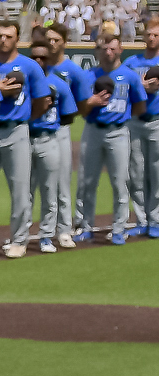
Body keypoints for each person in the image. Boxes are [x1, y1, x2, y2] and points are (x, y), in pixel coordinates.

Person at [0, 18, 53, 259]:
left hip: (17, 130)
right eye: (0, 35)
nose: (3, 40)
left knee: (20, 189)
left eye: (8, 36)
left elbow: (43, 100)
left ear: (17, 39)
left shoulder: (30, 66)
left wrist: (24, 119)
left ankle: (19, 239)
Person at [73, 26, 147, 244]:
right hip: (93, 130)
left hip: (119, 132)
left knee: (120, 181)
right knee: (87, 180)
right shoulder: (89, 76)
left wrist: (122, 117)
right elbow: (81, 109)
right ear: (99, 51)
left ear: (120, 49)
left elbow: (140, 106)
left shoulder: (130, 77)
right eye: (105, 49)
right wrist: (91, 102)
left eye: (113, 48)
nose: (108, 53)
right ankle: (85, 225)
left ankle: (118, 228)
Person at [25, 36, 77, 254]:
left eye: (42, 58)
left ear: (49, 59)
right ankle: (22, 236)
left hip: (49, 137)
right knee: (24, 192)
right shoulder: (21, 82)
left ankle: (47, 235)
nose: (38, 61)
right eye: (34, 57)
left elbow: (69, 115)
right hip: (25, 139)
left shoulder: (59, 83)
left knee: (50, 190)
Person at [39, 23, 82, 248]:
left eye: (56, 39)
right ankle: (35, 230)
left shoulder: (72, 70)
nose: (52, 43)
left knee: (62, 182)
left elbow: (79, 102)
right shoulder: (38, 66)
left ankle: (64, 229)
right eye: (49, 39)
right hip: (37, 130)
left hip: (62, 129)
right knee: (37, 184)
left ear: (64, 41)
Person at [128, 22, 159, 238]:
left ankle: (155, 220)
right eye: (148, 34)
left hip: (157, 121)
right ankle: (141, 219)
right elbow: (121, 89)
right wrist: (139, 86)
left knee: (156, 173)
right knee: (136, 173)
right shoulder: (132, 62)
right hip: (135, 121)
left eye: (156, 34)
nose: (151, 37)